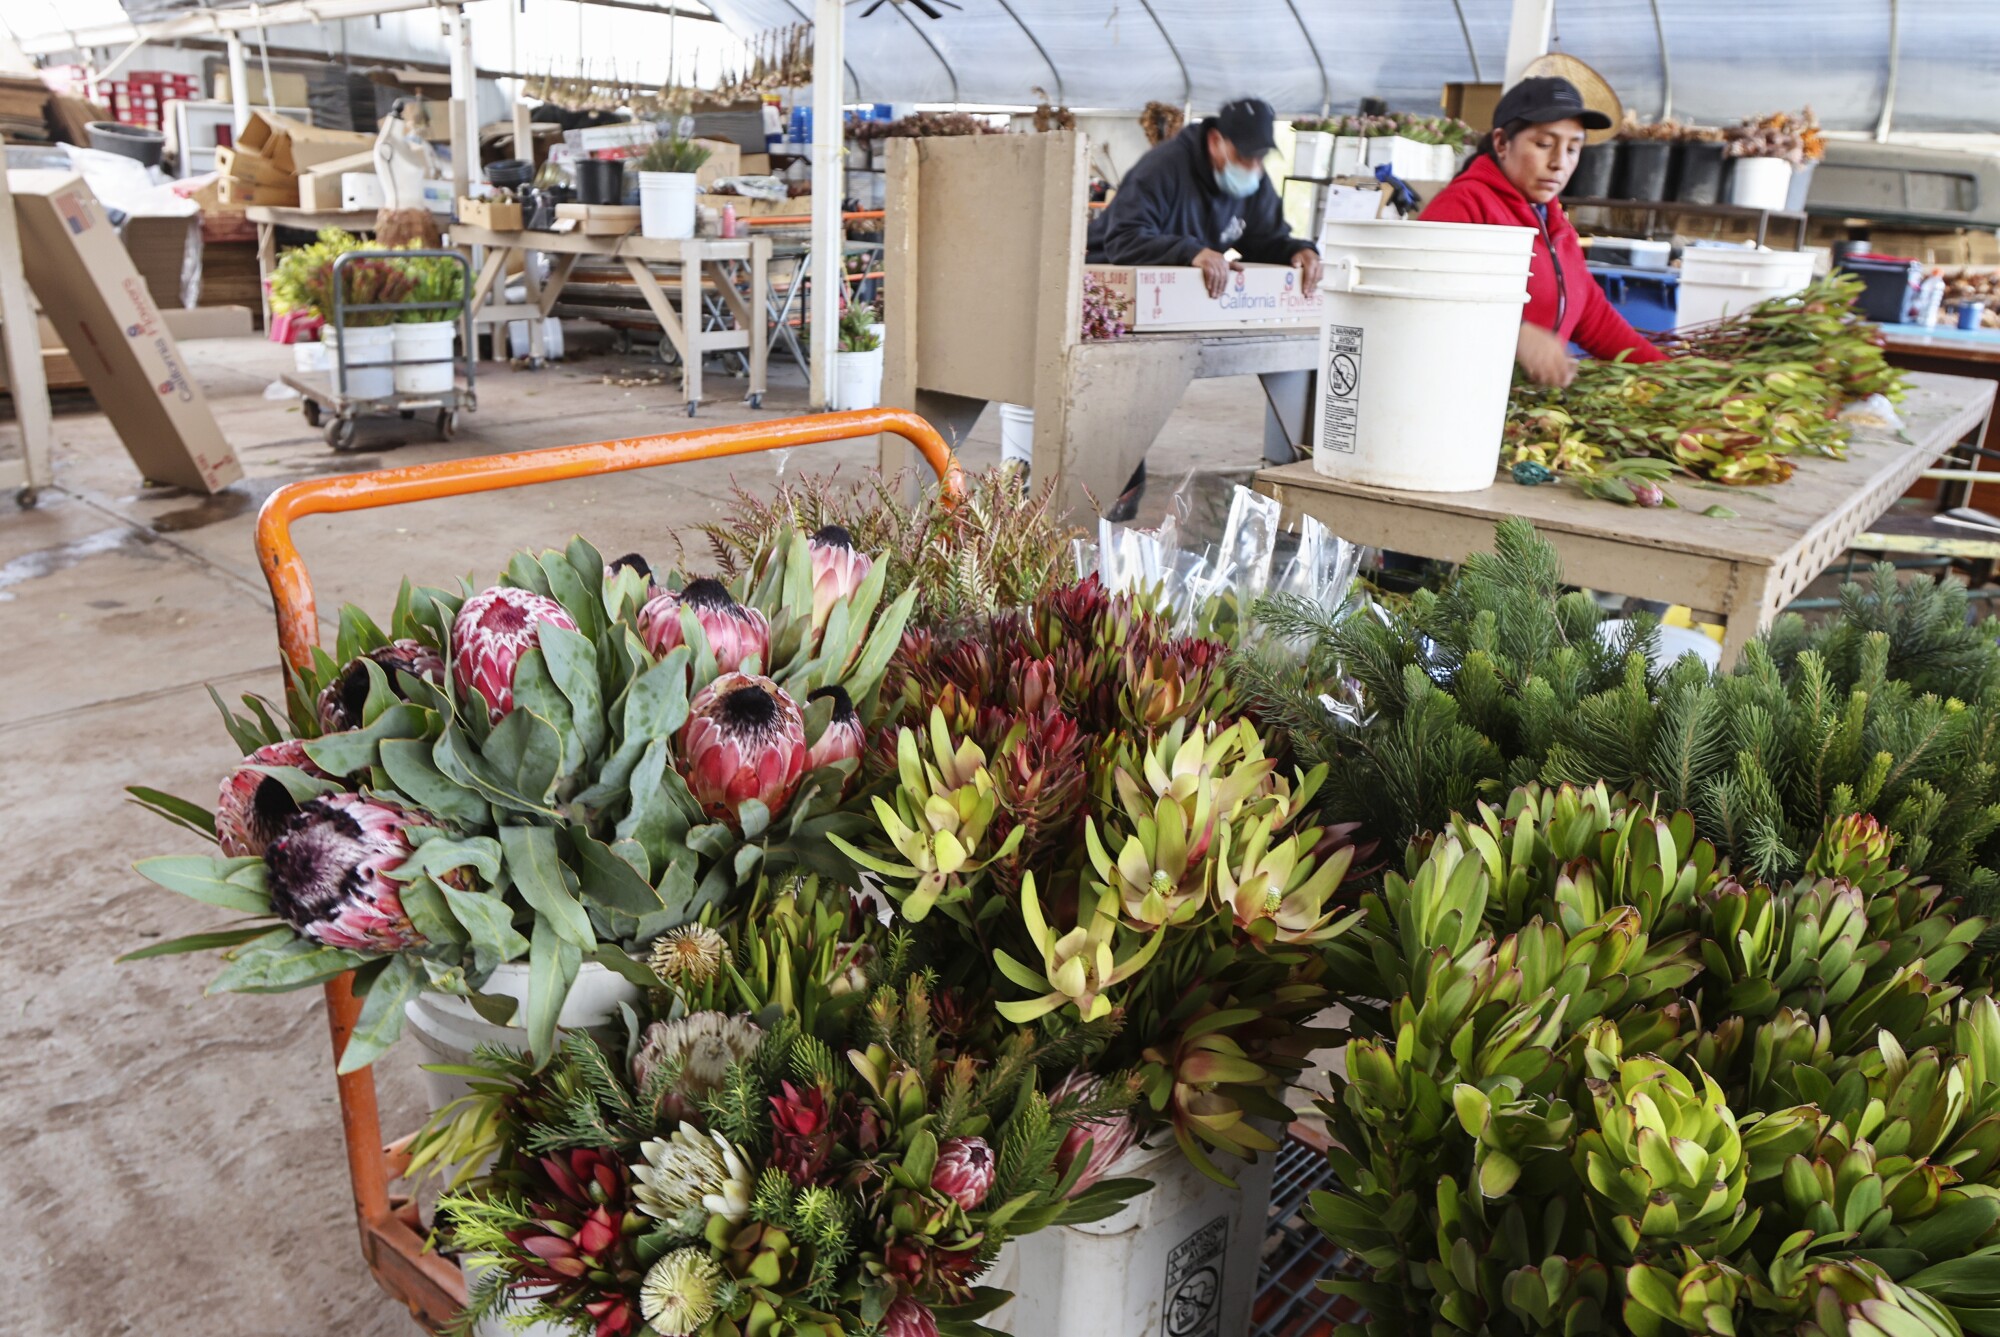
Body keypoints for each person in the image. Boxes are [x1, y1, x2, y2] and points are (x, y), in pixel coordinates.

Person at [1083, 97, 1322, 517]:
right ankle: (1107, 497)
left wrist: (1298, 250)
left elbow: (1265, 237)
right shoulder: (1163, 169)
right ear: (1216, 141)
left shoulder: (1250, 181)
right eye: (1245, 155)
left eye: (1260, 157)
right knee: (1117, 408)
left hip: (1180, 303)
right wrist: (1190, 251)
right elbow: (1122, 239)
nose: (1252, 166)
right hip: (1114, 292)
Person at [1420, 77, 1667, 387]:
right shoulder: (1464, 205)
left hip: (1529, 405)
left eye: (1573, 149)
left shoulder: (1554, 222)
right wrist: (1517, 333)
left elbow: (1592, 315)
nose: (1559, 163)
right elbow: (1425, 303)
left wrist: (1668, 374)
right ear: (1501, 143)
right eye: (1544, 144)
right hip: (1465, 395)